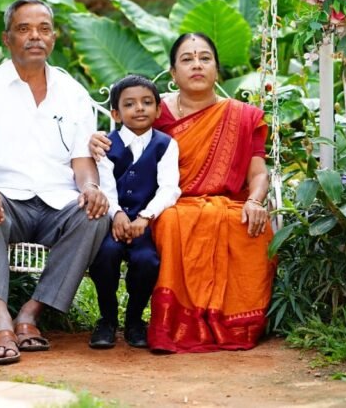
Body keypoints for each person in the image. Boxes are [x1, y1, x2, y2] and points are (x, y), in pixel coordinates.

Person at [91, 33, 274, 353]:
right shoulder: (152, 109)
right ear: (173, 73)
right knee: (175, 221)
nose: (197, 65)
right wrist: (96, 141)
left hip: (227, 201)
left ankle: (235, 323)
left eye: (205, 58)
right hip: (166, 203)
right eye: (187, 59)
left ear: (218, 69)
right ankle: (174, 325)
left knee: (251, 227)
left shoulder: (242, 116)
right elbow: (116, 141)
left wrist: (256, 201)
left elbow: (257, 172)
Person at [0, 0, 111, 365]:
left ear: (54, 38)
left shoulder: (72, 92)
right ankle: (0, 322)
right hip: (7, 199)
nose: (35, 36)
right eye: (24, 29)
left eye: (44, 29)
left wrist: (91, 187)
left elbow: (82, 161)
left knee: (95, 215)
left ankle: (29, 315)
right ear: (6, 38)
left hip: (58, 202)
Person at [88, 74, 181, 350]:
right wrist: (115, 214)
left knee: (147, 261)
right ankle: (106, 318)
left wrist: (146, 217)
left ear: (158, 109)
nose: (139, 108)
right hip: (111, 223)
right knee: (104, 256)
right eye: (129, 104)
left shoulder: (166, 145)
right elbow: (104, 184)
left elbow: (169, 188)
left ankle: (134, 319)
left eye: (146, 102)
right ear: (116, 113)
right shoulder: (106, 144)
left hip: (144, 225)